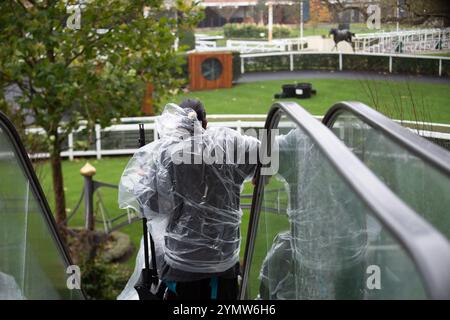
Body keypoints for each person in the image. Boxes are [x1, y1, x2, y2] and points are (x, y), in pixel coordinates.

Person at [118, 99, 259, 300]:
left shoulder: (166, 156)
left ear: (177, 125)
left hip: (183, 266)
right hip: (224, 261)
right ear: (205, 123)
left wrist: (143, 181)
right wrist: (261, 174)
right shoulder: (229, 144)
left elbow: (153, 207)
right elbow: (267, 153)